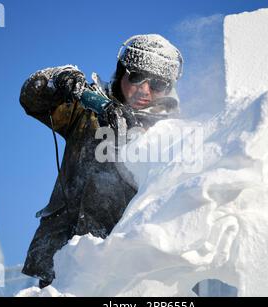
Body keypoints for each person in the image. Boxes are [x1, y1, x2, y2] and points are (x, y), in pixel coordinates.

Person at [19, 34, 183, 288]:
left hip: (120, 268)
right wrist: (61, 79)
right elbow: (32, 98)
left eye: (158, 84)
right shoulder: (88, 112)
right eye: (137, 77)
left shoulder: (174, 133)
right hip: (59, 257)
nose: (144, 90)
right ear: (121, 72)